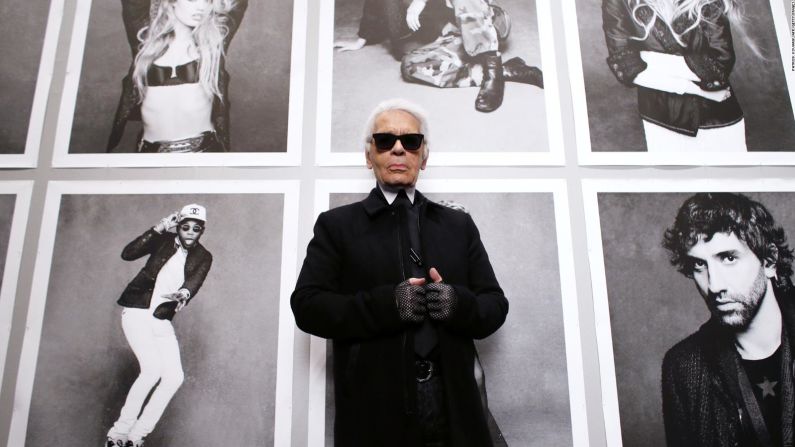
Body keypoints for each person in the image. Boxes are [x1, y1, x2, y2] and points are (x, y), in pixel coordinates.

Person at [291, 98, 509, 446]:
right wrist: (387, 305)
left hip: (454, 406)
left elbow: (494, 305)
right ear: (369, 156)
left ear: (424, 156)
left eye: (410, 142)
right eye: (384, 141)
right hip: (373, 411)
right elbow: (307, 306)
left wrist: (458, 304)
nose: (397, 149)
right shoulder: (337, 226)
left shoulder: (458, 225)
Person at [661, 193, 795, 446]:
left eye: (728, 258)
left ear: (769, 261)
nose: (714, 285)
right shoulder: (683, 366)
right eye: (699, 265)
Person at [105, 204, 213, 447]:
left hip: (159, 318)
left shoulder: (204, 256)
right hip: (135, 311)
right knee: (152, 370)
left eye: (196, 229)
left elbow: (195, 281)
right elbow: (128, 253)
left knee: (174, 377)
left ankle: (136, 436)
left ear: (201, 231)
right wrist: (157, 229)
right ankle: (118, 434)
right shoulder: (162, 240)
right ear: (178, 226)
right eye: (185, 227)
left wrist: (184, 293)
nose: (189, 232)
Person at [602, 0, 759, 152]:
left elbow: (718, 65)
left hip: (718, 120)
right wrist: (698, 90)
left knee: (728, 178)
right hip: (661, 120)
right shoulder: (618, 2)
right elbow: (629, 70)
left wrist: (647, 58)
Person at [334, 0, 543, 113]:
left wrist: (420, 1)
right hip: (451, 38)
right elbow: (374, 7)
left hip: (484, 23)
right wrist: (361, 39)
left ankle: (491, 67)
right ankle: (505, 71)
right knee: (410, 66)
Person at [107, 0, 247, 153]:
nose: (201, 7)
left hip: (204, 152)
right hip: (150, 155)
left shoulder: (213, 43)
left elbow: (239, 3)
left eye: (208, 1)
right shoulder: (145, 41)